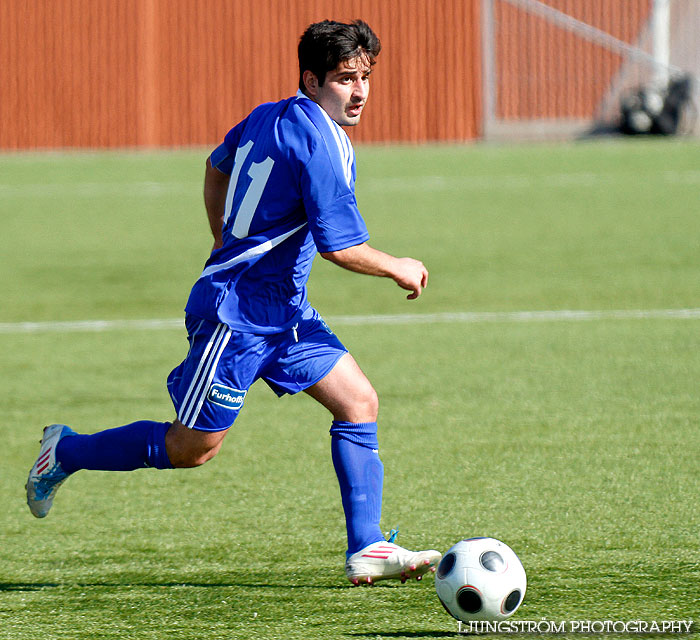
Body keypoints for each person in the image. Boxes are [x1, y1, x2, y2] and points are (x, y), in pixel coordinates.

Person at [26, 19, 440, 586]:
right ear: (311, 80)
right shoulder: (319, 143)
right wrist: (398, 265)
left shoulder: (267, 114)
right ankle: (66, 452)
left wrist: (221, 233)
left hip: (286, 311)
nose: (360, 92)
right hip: (236, 315)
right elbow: (340, 246)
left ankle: (366, 546)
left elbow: (215, 164)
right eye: (346, 80)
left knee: (359, 402)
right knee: (193, 447)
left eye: (365, 77)